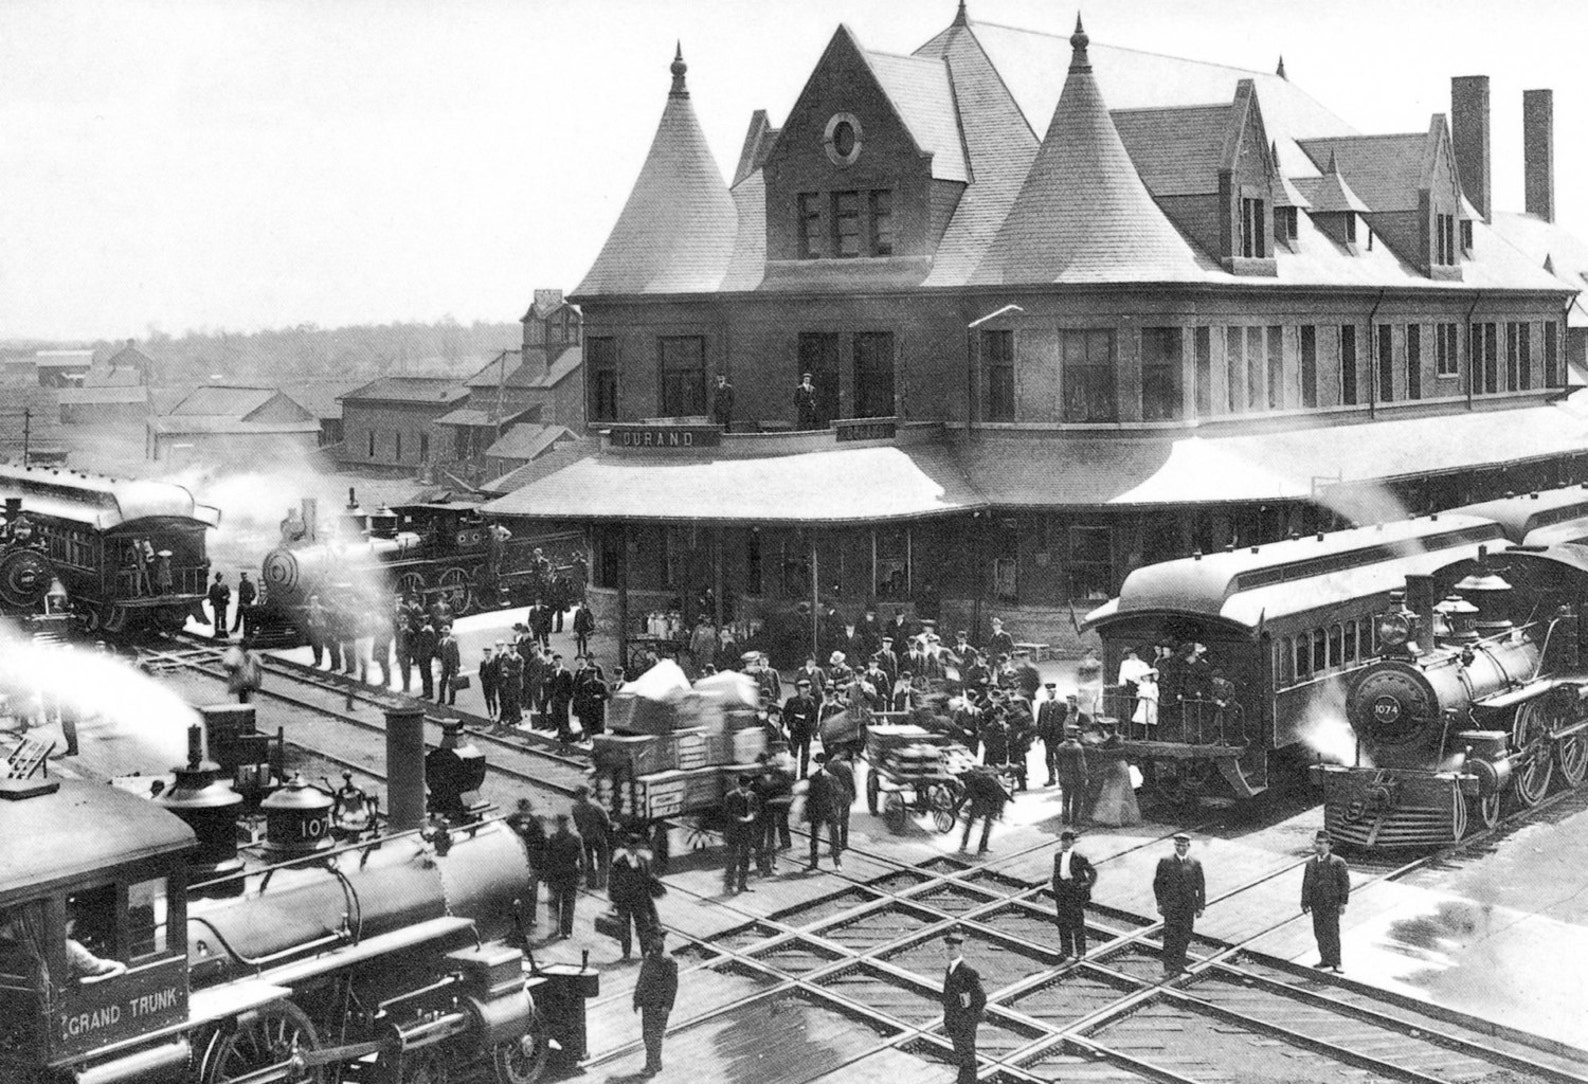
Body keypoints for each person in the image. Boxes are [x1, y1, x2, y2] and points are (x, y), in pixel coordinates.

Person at [1153, 833, 1206, 976]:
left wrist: (1200, 906)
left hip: (1188, 907)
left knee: (1185, 936)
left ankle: (1180, 965)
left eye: (1183, 845)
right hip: (1171, 906)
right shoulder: (1166, 861)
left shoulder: (1195, 863)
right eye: (1177, 845)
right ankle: (1169, 968)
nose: (1180, 848)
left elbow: (1200, 886)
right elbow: (1158, 884)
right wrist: (1160, 903)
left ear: (1188, 846)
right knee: (1170, 936)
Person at [940, 927, 986, 1084]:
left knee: (967, 1053)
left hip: (964, 1022)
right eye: (947, 948)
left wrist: (969, 1019)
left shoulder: (968, 971)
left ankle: (969, 1081)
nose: (949, 951)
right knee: (961, 1052)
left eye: (952, 948)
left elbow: (980, 998)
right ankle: (963, 1078)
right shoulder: (950, 969)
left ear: (960, 949)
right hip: (954, 1021)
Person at [1301, 829, 1350, 972]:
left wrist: (1342, 903)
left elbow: (1345, 884)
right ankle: (1325, 960)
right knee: (1319, 932)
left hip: (1331, 904)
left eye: (1322, 843)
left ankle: (1336, 962)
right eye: (1317, 843)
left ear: (1330, 846)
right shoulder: (1311, 863)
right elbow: (1306, 884)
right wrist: (1305, 903)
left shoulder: (1338, 862)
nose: (1319, 846)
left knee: (1332, 932)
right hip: (1317, 904)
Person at [633, 931, 679, 1078]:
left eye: (657, 939)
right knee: (647, 1035)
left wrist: (667, 1006)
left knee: (655, 1036)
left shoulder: (668, 961)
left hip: (659, 1005)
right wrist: (636, 999)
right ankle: (655, 1063)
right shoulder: (649, 957)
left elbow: (672, 986)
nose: (654, 941)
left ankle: (651, 1066)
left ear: (662, 940)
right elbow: (642, 980)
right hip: (647, 1003)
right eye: (652, 938)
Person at [609, 833, 662, 959]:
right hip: (624, 901)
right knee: (625, 928)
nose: (635, 850)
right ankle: (626, 953)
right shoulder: (619, 863)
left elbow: (648, 878)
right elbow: (613, 883)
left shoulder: (642, 860)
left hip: (640, 899)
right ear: (627, 847)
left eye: (637, 847)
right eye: (633, 847)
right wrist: (614, 900)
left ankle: (645, 952)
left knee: (643, 926)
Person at [1051, 829, 1097, 961]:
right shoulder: (1058, 856)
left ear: (1072, 842)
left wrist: (1085, 886)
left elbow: (1092, 872)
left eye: (1067, 841)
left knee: (1077, 922)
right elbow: (1056, 873)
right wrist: (1056, 887)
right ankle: (1066, 950)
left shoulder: (1079, 857)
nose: (1064, 844)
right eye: (1063, 841)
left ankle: (1081, 952)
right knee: (1063, 922)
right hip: (1062, 892)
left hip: (1074, 892)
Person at [506, 798, 547, 927]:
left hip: (525, 862)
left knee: (525, 891)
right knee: (528, 891)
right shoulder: (533, 822)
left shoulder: (512, 820)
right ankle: (528, 917)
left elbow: (542, 843)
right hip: (524, 862)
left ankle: (526, 917)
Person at [543, 813, 584, 939]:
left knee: (557, 903)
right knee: (566, 903)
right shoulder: (575, 837)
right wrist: (582, 874)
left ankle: (557, 929)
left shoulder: (553, 837)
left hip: (558, 873)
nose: (563, 825)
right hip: (568, 873)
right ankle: (565, 931)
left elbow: (547, 858)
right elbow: (583, 857)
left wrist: (546, 874)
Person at [804, 753, 844, 870]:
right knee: (825, 837)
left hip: (824, 811)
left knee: (830, 837)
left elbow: (838, 795)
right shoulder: (828, 778)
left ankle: (834, 862)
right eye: (818, 763)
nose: (819, 765)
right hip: (824, 811)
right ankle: (833, 863)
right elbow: (810, 798)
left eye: (821, 762)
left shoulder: (828, 778)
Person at [720, 773, 757, 894]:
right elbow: (726, 813)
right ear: (739, 785)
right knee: (732, 860)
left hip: (747, 832)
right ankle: (728, 886)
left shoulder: (752, 796)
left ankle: (742, 885)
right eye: (744, 786)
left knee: (745, 859)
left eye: (747, 786)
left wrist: (752, 815)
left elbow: (757, 810)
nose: (746, 789)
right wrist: (738, 818)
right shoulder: (730, 796)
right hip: (733, 832)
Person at [958, 766, 1008, 856]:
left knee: (969, 824)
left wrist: (956, 808)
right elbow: (1001, 796)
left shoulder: (974, 782)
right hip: (989, 806)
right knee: (987, 826)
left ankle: (963, 844)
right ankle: (982, 847)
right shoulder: (993, 781)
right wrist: (1000, 810)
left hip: (976, 805)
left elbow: (965, 796)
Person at [571, 784, 613, 890]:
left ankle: (591, 883)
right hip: (598, 836)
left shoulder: (575, 807)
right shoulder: (595, 805)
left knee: (588, 860)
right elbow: (606, 820)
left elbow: (576, 823)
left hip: (585, 837)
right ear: (588, 793)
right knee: (602, 859)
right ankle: (603, 882)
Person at [784, 678, 819, 778]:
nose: (806, 693)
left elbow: (815, 716)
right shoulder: (791, 701)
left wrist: (813, 728)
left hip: (806, 732)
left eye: (808, 691)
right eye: (804, 691)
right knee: (793, 755)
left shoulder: (812, 700)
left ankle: (804, 776)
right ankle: (792, 775)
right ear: (799, 691)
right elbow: (785, 714)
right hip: (796, 732)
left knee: (805, 755)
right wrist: (791, 724)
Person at [1054, 729, 1089, 826]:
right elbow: (1081, 765)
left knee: (1065, 799)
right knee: (1077, 799)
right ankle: (1074, 819)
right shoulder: (1078, 748)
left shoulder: (1060, 746)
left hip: (1064, 777)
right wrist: (1085, 777)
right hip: (1076, 778)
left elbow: (1057, 763)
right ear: (1076, 736)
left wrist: (1060, 775)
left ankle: (1065, 817)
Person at [1036, 684, 1068, 786]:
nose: (1050, 693)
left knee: (1060, 758)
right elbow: (1040, 720)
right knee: (1048, 758)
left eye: (1052, 691)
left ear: (1055, 692)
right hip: (1048, 736)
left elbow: (1066, 720)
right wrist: (1039, 735)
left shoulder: (1062, 704)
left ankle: (1062, 779)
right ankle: (1051, 778)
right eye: (1048, 692)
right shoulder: (1043, 705)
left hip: (1058, 736)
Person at [824, 749, 855, 851]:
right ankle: (844, 843)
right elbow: (851, 782)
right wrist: (854, 794)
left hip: (833, 796)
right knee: (844, 820)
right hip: (845, 795)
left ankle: (834, 845)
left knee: (833, 821)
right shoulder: (847, 766)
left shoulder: (828, 766)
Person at [546, 653, 576, 743]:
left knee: (564, 715)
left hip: (563, 698)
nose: (557, 663)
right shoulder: (553, 672)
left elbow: (571, 686)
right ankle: (560, 732)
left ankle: (566, 733)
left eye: (559, 661)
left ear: (561, 661)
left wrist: (567, 697)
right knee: (557, 715)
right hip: (555, 698)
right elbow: (551, 685)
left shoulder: (566, 672)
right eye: (555, 661)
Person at [498, 643, 524, 727]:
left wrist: (508, 672)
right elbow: (503, 668)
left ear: (516, 648)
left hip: (516, 683)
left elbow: (519, 671)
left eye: (513, 648)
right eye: (510, 648)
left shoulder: (519, 658)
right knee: (510, 701)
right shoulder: (506, 658)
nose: (511, 649)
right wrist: (506, 673)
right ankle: (511, 717)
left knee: (516, 701)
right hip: (508, 683)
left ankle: (517, 718)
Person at [436, 625, 461, 705]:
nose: (444, 634)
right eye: (443, 632)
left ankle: (452, 700)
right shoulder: (441, 641)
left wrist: (457, 665)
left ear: (448, 633)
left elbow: (456, 654)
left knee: (452, 683)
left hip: (452, 664)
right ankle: (441, 699)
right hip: (445, 664)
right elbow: (439, 653)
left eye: (445, 632)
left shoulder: (453, 641)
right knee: (442, 682)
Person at [207, 572, 231, 639]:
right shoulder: (213, 586)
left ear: (221, 578)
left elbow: (229, 594)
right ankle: (216, 633)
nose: (219, 579)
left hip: (223, 604)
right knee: (216, 619)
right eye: (218, 577)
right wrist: (213, 602)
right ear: (216, 578)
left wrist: (225, 597)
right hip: (216, 605)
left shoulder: (225, 586)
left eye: (220, 577)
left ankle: (224, 633)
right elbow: (210, 595)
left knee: (223, 618)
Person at [479, 645, 500, 720]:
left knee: (493, 697)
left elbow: (497, 672)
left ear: (490, 653)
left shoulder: (493, 662)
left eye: (488, 653)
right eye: (486, 653)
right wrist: (483, 679)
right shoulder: (482, 662)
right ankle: (489, 712)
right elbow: (480, 673)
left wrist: (495, 681)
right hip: (485, 684)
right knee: (487, 698)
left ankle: (495, 712)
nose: (487, 655)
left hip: (492, 683)